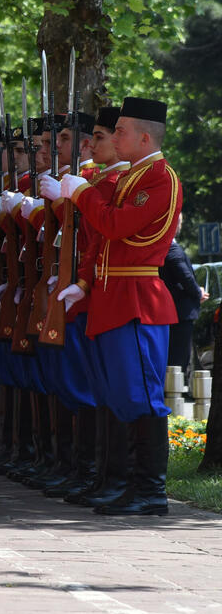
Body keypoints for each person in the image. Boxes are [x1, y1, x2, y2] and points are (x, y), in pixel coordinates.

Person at [40, 96, 181, 516]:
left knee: (141, 396)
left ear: (142, 136)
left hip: (136, 298)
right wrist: (83, 283)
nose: (113, 137)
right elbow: (102, 241)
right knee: (117, 394)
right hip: (110, 295)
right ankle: (125, 483)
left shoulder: (160, 178)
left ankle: (150, 490)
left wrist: (82, 194)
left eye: (120, 131)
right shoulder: (129, 177)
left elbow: (116, 225)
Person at [159, 213, 207, 378]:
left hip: (174, 311)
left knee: (176, 358)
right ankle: (173, 394)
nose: (179, 225)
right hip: (181, 312)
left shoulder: (165, 247)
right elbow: (185, 277)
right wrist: (198, 292)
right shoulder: (172, 249)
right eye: (178, 221)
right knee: (178, 359)